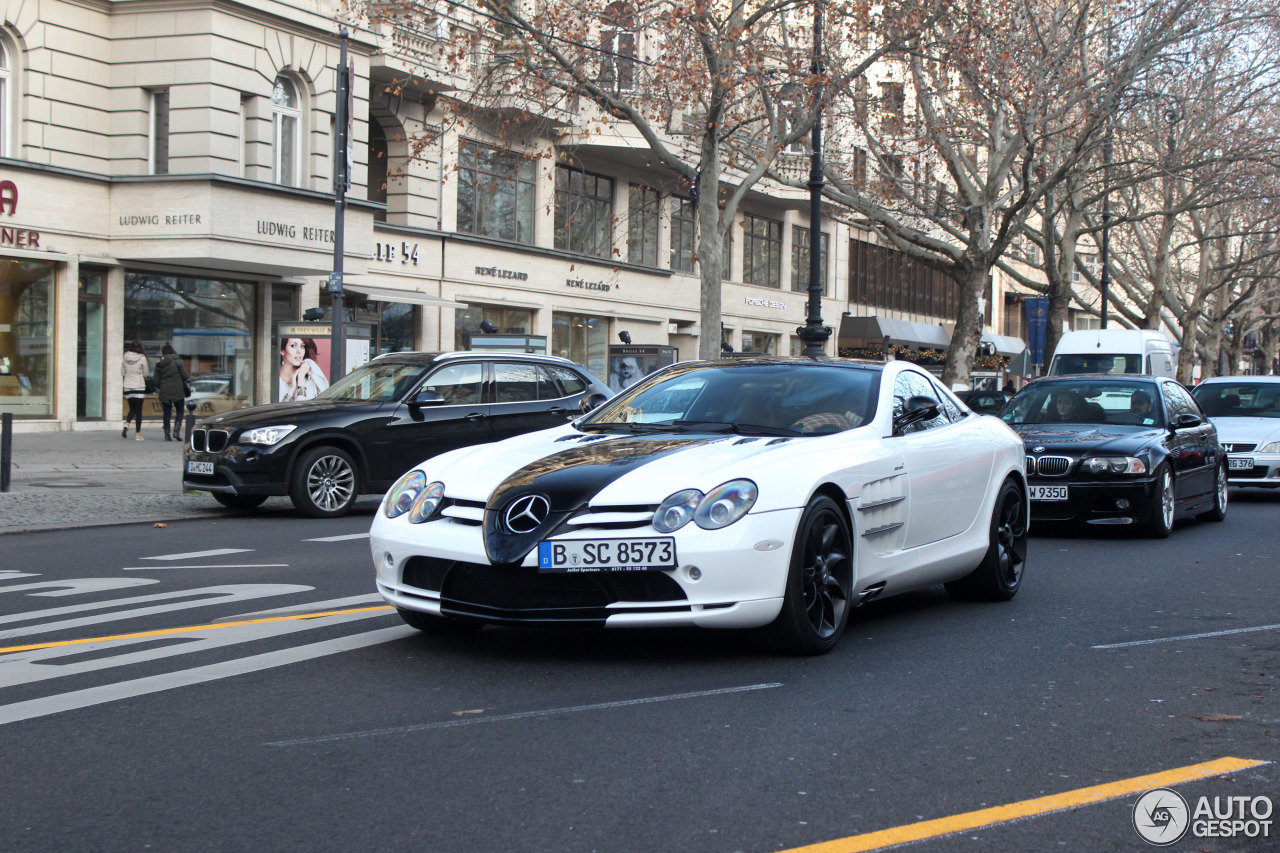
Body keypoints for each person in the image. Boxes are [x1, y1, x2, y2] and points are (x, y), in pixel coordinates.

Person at [153, 343, 191, 442]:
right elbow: (185, 376)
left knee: (166, 413)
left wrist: (162, 386)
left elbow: (156, 381)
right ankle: (176, 431)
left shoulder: (159, 364)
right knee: (180, 411)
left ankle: (167, 434)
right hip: (178, 390)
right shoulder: (178, 361)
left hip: (165, 391)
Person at [279, 337, 329, 402]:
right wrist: (292, 390)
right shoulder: (271, 378)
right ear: (282, 351)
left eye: (302, 346)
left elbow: (301, 409)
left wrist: (301, 378)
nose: (299, 351)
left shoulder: (310, 378)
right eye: (293, 346)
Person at [121, 340, 150, 440]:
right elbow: (146, 373)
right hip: (139, 386)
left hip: (128, 386)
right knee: (138, 411)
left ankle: (127, 424)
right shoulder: (142, 358)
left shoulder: (125, 357)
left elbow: (122, 372)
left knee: (131, 409)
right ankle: (138, 434)